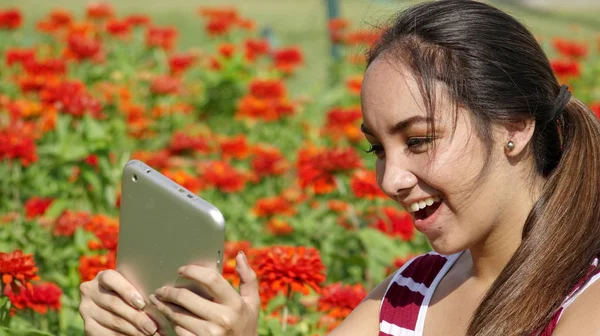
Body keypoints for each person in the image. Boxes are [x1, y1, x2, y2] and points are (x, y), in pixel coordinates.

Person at [78, 1, 600, 335]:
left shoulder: (586, 304)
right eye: (378, 148)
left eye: (419, 140)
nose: (390, 180)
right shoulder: (407, 296)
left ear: (514, 126)